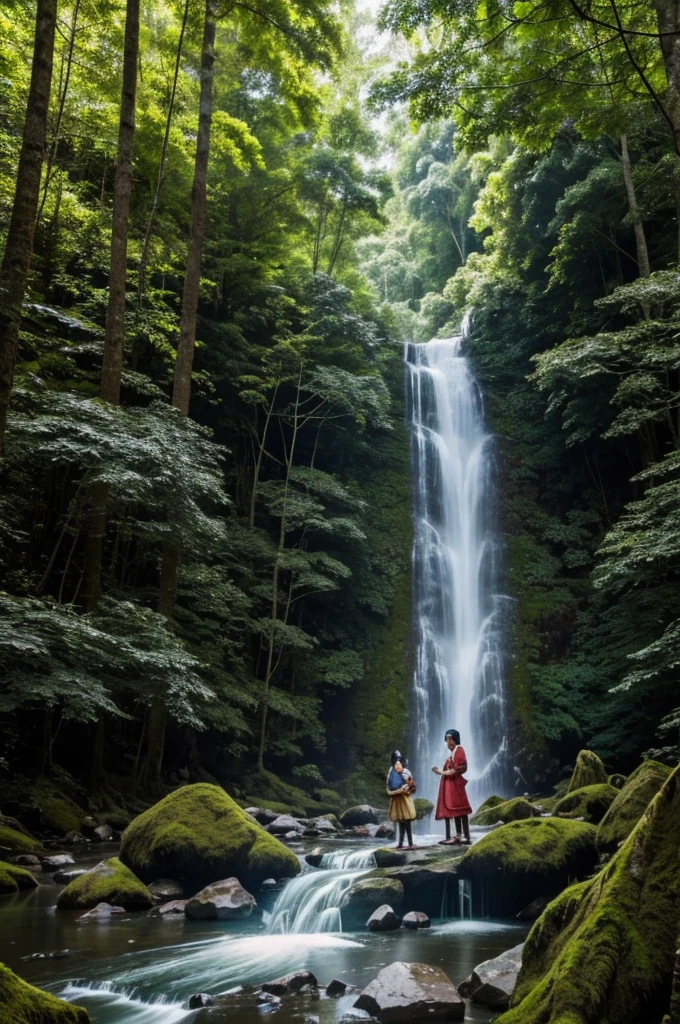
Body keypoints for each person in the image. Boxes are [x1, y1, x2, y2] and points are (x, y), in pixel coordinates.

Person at [432, 729, 473, 845]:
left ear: (454, 739)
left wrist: (441, 772)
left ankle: (466, 835)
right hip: (452, 786)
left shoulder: (459, 750)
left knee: (461, 810)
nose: (447, 742)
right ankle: (459, 835)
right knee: (456, 811)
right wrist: (441, 771)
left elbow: (461, 767)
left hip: (456, 786)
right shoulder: (452, 753)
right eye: (447, 739)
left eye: (449, 739)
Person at [386, 748, 417, 850]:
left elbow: (412, 786)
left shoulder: (405, 772)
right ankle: (400, 842)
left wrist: (405, 789)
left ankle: (410, 842)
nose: (397, 762)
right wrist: (393, 792)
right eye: (396, 759)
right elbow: (388, 786)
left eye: (399, 759)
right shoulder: (391, 772)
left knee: (407, 821)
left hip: (404, 799)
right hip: (396, 799)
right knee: (400, 821)